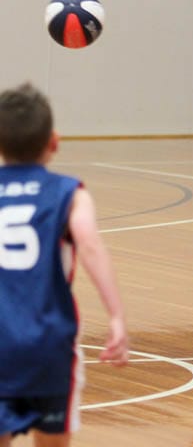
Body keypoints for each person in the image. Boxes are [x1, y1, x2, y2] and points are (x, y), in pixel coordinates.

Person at [0, 83, 129, 446]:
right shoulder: (69, 192)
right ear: (53, 142)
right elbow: (89, 245)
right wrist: (116, 317)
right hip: (49, 344)